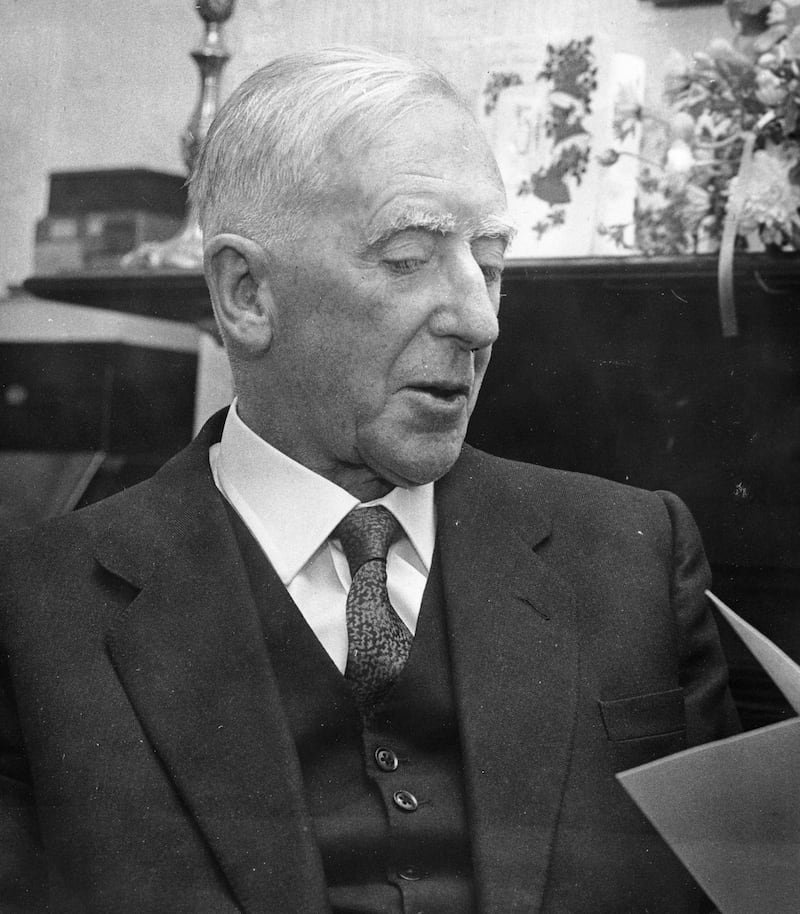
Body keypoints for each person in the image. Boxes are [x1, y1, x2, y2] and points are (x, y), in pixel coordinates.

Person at [0, 46, 738, 914]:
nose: (478, 317)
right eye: (408, 257)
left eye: (490, 262)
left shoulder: (634, 558)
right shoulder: (34, 616)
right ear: (246, 293)